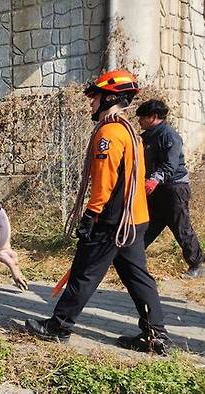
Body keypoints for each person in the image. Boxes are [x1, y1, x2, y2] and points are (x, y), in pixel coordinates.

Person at [25, 70, 171, 354]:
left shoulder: (109, 134)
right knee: (138, 277)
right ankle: (156, 336)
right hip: (134, 220)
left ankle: (59, 326)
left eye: (95, 98)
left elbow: (105, 182)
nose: (91, 103)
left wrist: (90, 216)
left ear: (110, 98)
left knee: (84, 273)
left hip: (110, 220)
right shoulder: (130, 132)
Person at [136, 99, 203, 278]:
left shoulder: (168, 135)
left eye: (142, 117)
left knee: (181, 227)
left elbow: (170, 164)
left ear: (154, 117)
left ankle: (196, 264)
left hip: (174, 188)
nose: (139, 121)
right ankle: (132, 259)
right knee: (146, 225)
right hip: (156, 189)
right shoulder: (146, 136)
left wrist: (154, 180)